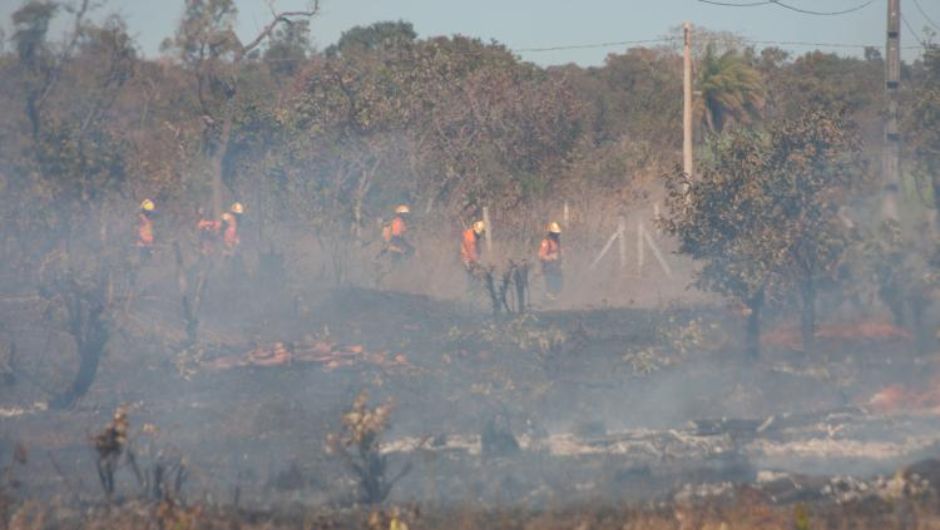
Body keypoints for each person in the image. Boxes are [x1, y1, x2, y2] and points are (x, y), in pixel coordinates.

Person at [538, 221, 563, 299]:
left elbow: (558, 251)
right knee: (550, 282)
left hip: (556, 267)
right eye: (555, 234)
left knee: (559, 282)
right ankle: (549, 296)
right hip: (548, 268)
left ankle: (556, 296)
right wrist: (551, 257)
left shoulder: (557, 242)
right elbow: (541, 256)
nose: (557, 235)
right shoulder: (546, 242)